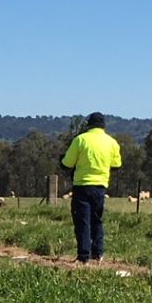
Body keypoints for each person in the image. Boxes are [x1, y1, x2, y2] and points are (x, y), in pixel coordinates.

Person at [60, 112, 123, 262]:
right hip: (100, 186)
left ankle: (83, 256)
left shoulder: (81, 139)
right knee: (97, 220)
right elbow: (117, 165)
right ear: (103, 126)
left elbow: (67, 163)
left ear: (88, 124)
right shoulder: (111, 142)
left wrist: (62, 159)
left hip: (82, 185)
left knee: (83, 221)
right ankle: (98, 253)